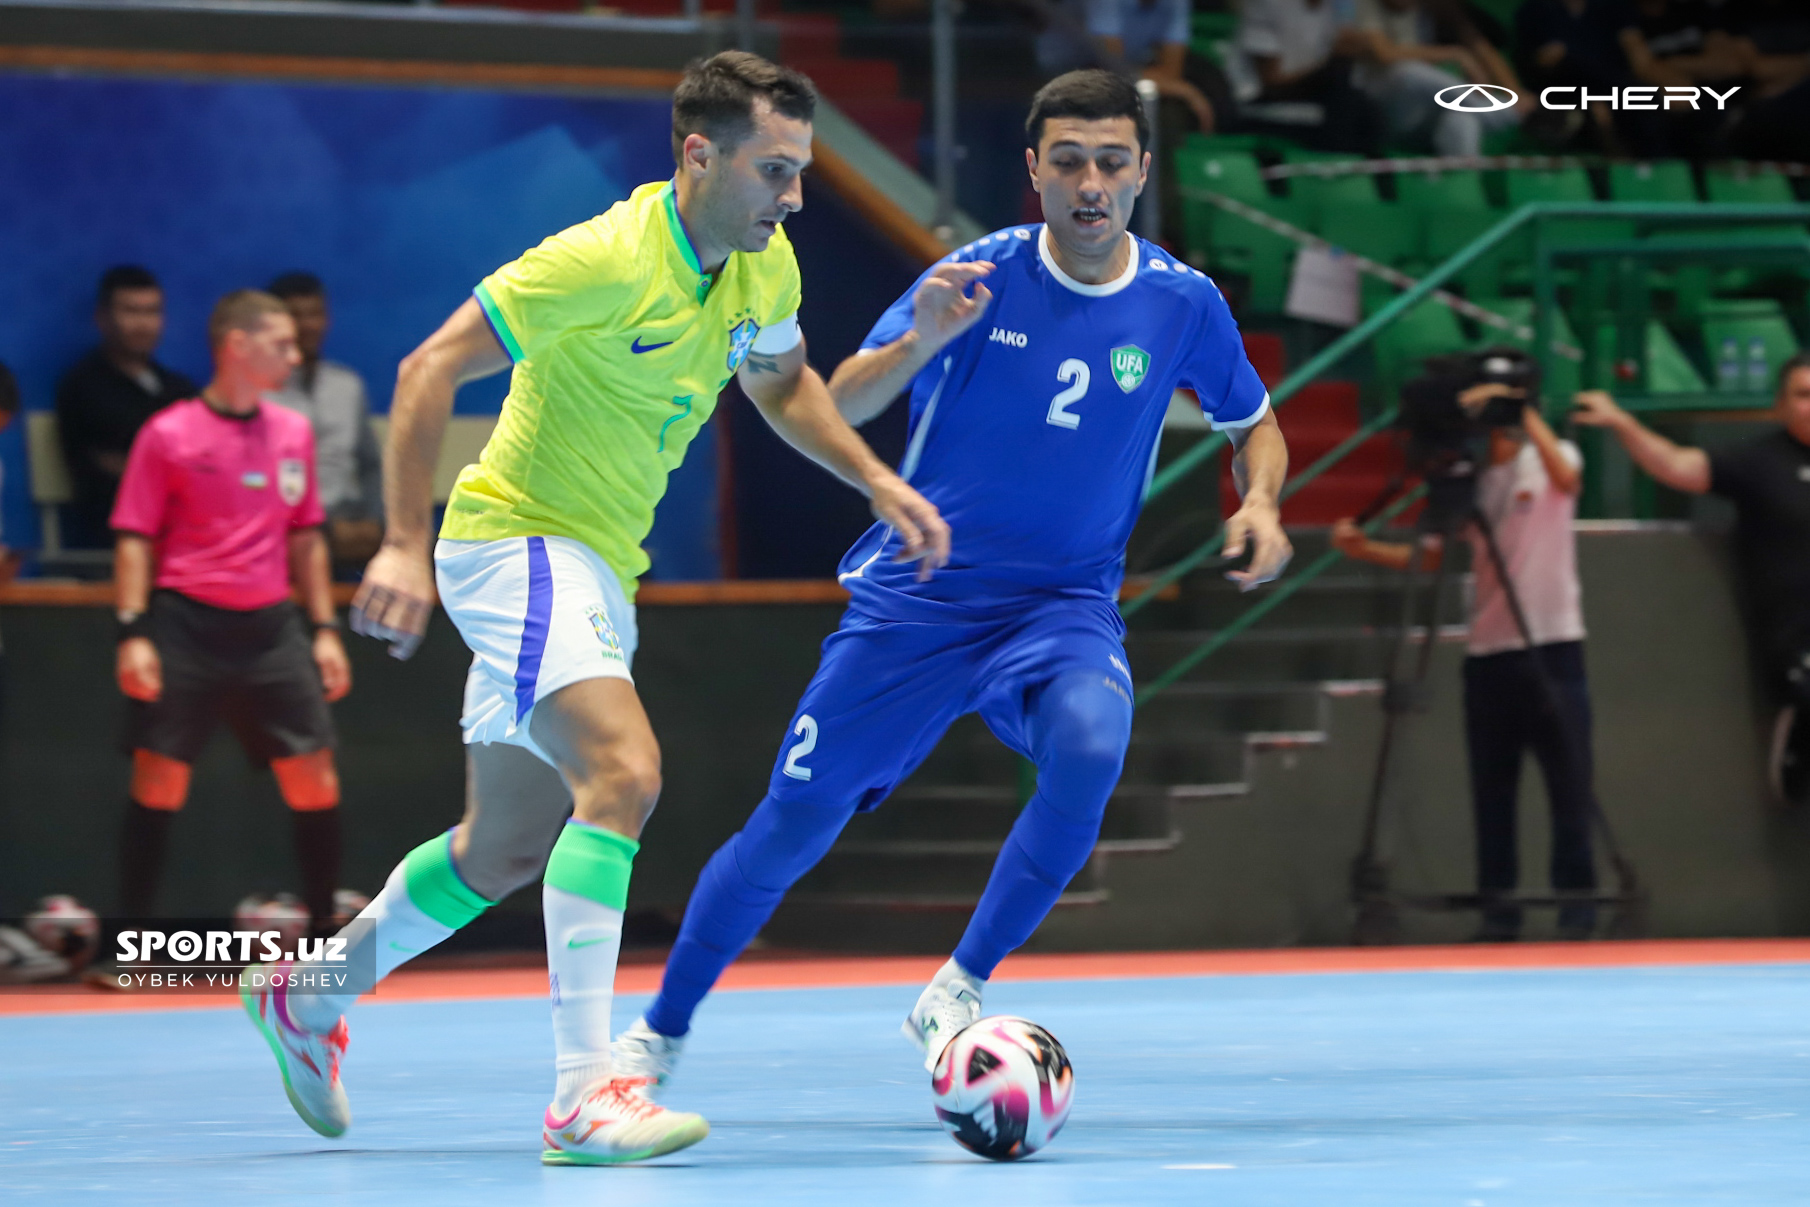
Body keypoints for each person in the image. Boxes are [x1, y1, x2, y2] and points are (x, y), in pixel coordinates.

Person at [240, 52, 947, 1165]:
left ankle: (309, 995)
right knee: (624, 772)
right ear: (697, 155)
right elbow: (429, 367)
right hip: (516, 539)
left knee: (504, 847)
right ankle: (581, 1096)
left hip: (598, 568)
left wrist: (876, 477)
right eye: (774, 170)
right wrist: (401, 544)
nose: (793, 195)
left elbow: (779, 384)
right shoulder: (601, 259)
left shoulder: (763, 271)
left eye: (802, 171)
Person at [609, 69, 1292, 1093]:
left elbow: (1255, 424)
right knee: (792, 824)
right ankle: (657, 1032)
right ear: (1033, 171)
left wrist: (1263, 503)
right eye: (1067, 163)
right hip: (919, 598)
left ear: (1142, 170)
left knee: (1091, 743)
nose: (1089, 184)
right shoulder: (977, 274)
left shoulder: (1181, 303)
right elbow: (833, 396)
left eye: (1111, 162)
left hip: (1060, 607)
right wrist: (922, 337)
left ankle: (959, 984)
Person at [104, 291, 351, 951]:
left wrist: (325, 627)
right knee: (159, 778)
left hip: (272, 626)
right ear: (236, 345)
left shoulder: (293, 432)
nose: (295, 356)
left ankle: (324, 934)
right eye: (281, 343)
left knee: (314, 775)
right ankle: (131, 942)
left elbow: (306, 536)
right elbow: (134, 534)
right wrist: (133, 631)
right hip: (185, 622)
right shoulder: (168, 433)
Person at [1332, 386, 1599, 941]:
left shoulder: (1551, 460)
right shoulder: (1470, 485)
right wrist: (1366, 549)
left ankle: (1580, 913)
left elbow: (1569, 481)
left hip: (1554, 646)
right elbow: (1436, 555)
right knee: (1491, 794)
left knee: (1570, 788)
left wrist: (1520, 407)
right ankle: (1499, 915)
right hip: (1489, 656)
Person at [1574, 357, 1810, 804]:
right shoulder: (1759, 461)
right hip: (1796, 637)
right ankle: (1797, 737)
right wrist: (1623, 423)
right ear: (1779, 406)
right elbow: (1676, 466)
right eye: (1802, 395)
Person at [56, 266, 197, 548]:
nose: (143, 324)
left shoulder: (179, 389)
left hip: (184, 529)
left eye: (152, 312)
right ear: (103, 318)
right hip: (113, 531)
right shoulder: (83, 386)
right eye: (131, 312)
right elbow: (103, 469)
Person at [266, 272, 384, 571]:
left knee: (428, 553)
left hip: (355, 516)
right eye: (296, 315)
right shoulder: (259, 391)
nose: (308, 325)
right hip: (288, 524)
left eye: (316, 314)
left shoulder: (348, 385)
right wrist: (329, 526)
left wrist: (376, 520)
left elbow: (371, 465)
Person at [1352, 0, 1530, 156]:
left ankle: (1465, 185)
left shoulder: (1436, 6)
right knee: (1408, 71)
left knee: (1463, 120)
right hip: (1381, 113)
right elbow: (1385, 54)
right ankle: (1511, 114)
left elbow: (1477, 44)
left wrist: (1517, 93)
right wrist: (1456, 54)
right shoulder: (1365, 4)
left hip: (1421, 117)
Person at [1238, 0, 1383, 153]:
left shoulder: (1334, 9)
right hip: (1258, 103)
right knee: (1342, 119)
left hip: (1309, 98)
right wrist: (1331, 66)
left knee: (1368, 112)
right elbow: (1271, 82)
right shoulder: (1268, 4)